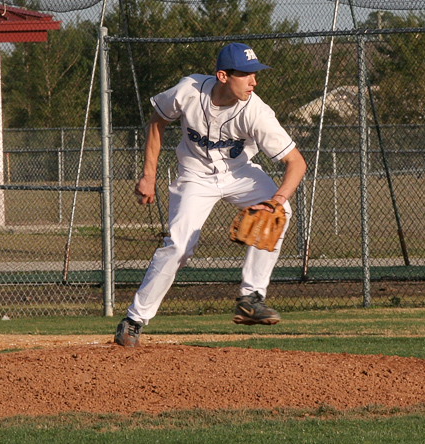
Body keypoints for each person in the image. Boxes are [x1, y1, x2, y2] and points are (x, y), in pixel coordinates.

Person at [115, 43, 307, 347]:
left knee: (278, 214)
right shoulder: (188, 90)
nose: (253, 81)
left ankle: (250, 297)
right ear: (222, 75)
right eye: (245, 74)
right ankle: (134, 319)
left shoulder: (257, 111)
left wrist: (277, 200)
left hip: (239, 173)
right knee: (179, 246)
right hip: (194, 176)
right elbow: (157, 120)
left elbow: (296, 162)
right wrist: (148, 176)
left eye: (255, 74)